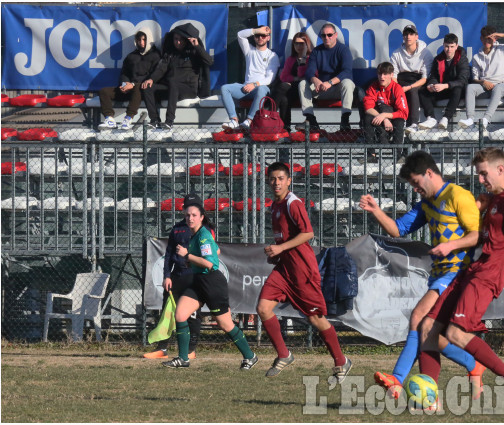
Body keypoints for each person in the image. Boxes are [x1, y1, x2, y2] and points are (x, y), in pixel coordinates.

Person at [418, 147, 504, 403]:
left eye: (483, 173)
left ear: (501, 169)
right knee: (427, 327)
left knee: (455, 334)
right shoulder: (492, 200)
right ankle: (429, 400)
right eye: (478, 174)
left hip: (487, 276)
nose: (481, 179)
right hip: (472, 270)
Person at [359, 151, 484, 401]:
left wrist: (450, 246)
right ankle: (472, 364)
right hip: (439, 273)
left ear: (429, 173)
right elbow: (398, 229)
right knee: (431, 335)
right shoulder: (427, 204)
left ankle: (397, 378)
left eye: (416, 183)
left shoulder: (458, 195)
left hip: (457, 270)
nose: (416, 189)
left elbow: (476, 235)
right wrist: (375, 211)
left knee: (418, 318)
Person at [257, 162, 352, 382]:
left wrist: (281, 248)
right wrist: (278, 254)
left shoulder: (293, 203)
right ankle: (284, 354)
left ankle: (341, 361)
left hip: (302, 270)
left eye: (281, 178)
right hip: (285, 268)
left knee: (316, 318)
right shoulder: (275, 205)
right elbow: (285, 237)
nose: (276, 182)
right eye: (273, 178)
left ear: (289, 180)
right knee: (263, 308)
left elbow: (308, 233)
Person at [162, 195, 258, 369]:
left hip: (212, 282)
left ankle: (250, 356)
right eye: (187, 215)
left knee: (225, 323)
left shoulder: (203, 235)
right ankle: (183, 358)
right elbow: (216, 251)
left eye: (194, 215)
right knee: (181, 314)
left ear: (202, 217)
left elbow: (209, 264)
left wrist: (187, 255)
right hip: (198, 280)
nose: (190, 218)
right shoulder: (195, 234)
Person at [144, 194, 204, 360]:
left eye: (194, 211)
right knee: (167, 312)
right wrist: (167, 276)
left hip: (195, 278)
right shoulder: (177, 229)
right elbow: (169, 254)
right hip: (176, 277)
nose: (190, 215)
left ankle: (191, 350)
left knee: (192, 315)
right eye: (188, 210)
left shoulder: (205, 230)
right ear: (184, 210)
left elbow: (209, 255)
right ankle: (162, 348)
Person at [141, 23, 214, 130]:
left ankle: (169, 121)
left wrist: (197, 46)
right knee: (148, 87)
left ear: (186, 40)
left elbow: (209, 61)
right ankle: (155, 120)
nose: (178, 42)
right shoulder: (171, 53)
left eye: (181, 40)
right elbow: (161, 68)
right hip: (171, 88)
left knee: (173, 82)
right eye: (176, 39)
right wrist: (151, 79)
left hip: (188, 88)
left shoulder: (194, 51)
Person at [458, 26, 504, 130]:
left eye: (489, 38)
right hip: (485, 87)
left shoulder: (502, 49)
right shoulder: (476, 57)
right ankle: (470, 119)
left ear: (495, 39)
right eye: (484, 38)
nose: (487, 41)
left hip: (501, 85)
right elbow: (475, 78)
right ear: (481, 39)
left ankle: (485, 119)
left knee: (498, 89)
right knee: (470, 87)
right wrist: (483, 82)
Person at [98, 29, 160, 130]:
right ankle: (109, 119)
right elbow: (124, 73)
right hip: (128, 89)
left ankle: (128, 119)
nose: (141, 42)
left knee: (139, 87)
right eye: (139, 40)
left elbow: (154, 75)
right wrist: (124, 83)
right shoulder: (131, 56)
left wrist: (133, 84)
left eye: (144, 39)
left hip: (143, 91)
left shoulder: (156, 55)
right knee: (104, 91)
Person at [297, 23, 355, 131]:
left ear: (336, 35)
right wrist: (316, 80)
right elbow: (309, 71)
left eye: (329, 35)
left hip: (336, 88)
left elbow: (347, 72)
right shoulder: (316, 51)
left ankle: (345, 120)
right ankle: (311, 120)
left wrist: (330, 82)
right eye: (323, 35)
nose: (326, 38)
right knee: (302, 84)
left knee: (348, 83)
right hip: (321, 88)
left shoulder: (343, 50)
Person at [220, 26, 280, 131]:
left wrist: (255, 84)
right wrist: (257, 30)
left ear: (268, 38)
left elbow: (269, 79)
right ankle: (234, 120)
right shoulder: (250, 51)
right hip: (246, 87)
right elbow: (240, 35)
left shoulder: (272, 55)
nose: (260, 38)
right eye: (257, 35)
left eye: (263, 35)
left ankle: (249, 121)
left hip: (261, 88)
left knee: (262, 89)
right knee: (225, 88)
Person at [418, 33, 470, 130]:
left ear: (456, 46)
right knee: (423, 91)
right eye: (446, 46)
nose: (449, 49)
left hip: (455, 89)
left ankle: (446, 118)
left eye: (452, 47)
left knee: (458, 89)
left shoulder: (462, 58)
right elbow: (433, 76)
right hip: (442, 89)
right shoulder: (438, 59)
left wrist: (446, 85)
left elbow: (463, 80)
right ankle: (431, 118)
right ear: (443, 45)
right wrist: (432, 85)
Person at [361, 62, 409, 163]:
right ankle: (371, 155)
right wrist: (384, 118)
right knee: (368, 118)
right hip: (380, 116)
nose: (382, 77)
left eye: (385, 74)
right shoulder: (373, 87)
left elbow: (404, 113)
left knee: (399, 122)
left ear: (392, 75)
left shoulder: (397, 88)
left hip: (394, 116)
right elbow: (368, 108)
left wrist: (385, 116)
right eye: (380, 74)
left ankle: (398, 157)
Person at [390, 24, 434, 133]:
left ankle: (414, 123)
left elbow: (424, 78)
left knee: (414, 90)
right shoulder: (396, 53)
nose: (408, 37)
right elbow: (393, 75)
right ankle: (398, 124)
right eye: (406, 34)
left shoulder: (426, 53)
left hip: (418, 80)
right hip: (402, 79)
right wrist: (398, 88)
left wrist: (409, 87)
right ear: (403, 37)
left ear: (416, 36)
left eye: (411, 34)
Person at [271, 32, 313, 131]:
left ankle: (270, 115)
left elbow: (307, 76)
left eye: (302, 43)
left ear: (307, 44)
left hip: (306, 91)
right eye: (296, 43)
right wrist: (295, 79)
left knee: (283, 87)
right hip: (291, 89)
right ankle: (285, 130)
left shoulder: (311, 58)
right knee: (284, 99)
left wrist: (303, 59)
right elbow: (283, 77)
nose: (299, 46)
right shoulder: (291, 59)